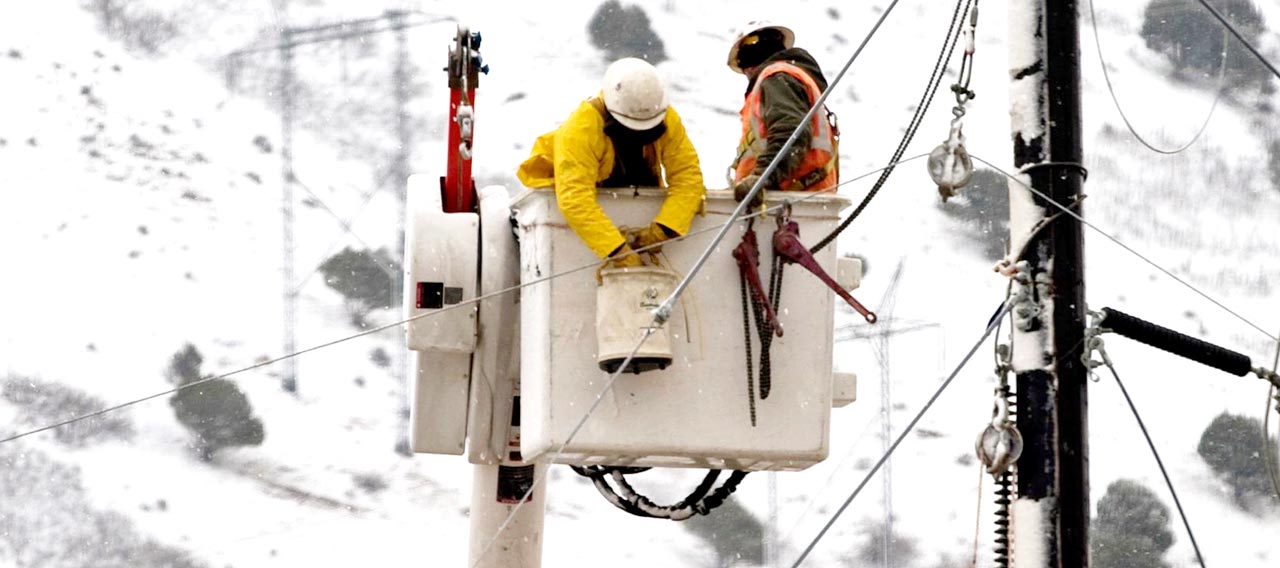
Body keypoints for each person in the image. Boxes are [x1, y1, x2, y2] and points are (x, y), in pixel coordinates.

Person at [516, 58, 705, 268]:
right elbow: (575, 198)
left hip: (635, 198)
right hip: (577, 229)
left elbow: (688, 177)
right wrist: (617, 251)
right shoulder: (581, 128)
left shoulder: (665, 117)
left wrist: (664, 228)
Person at [727, 22, 839, 207]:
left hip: (788, 201)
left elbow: (791, 133)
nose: (746, 72)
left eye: (745, 61)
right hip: (804, 200)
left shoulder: (777, 78)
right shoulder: (795, 79)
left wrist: (762, 178)